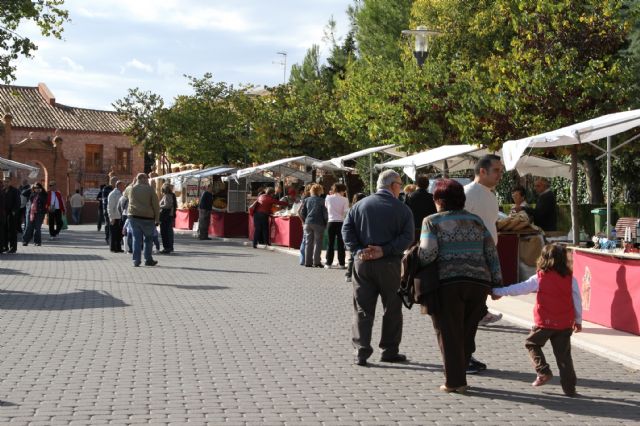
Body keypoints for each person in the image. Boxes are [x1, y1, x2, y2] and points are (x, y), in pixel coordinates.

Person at [419, 179, 503, 393]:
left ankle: (455, 382)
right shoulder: (476, 221)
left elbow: (428, 254)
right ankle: (461, 371)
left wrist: (413, 256)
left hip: (448, 284)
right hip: (478, 284)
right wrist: (496, 283)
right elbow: (491, 252)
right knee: (467, 331)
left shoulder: (431, 221)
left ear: (439, 200)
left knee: (448, 332)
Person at [342, 170, 414, 367]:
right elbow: (408, 237)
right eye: (400, 184)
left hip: (363, 263)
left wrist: (357, 250)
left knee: (362, 308)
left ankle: (361, 351)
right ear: (393, 186)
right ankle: (389, 350)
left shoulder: (358, 206)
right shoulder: (402, 209)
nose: (400, 188)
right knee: (392, 308)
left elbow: (346, 230)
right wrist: (385, 250)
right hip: (389, 263)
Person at [492, 243, 581, 397]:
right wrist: (578, 320)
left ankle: (543, 371)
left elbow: (520, 288)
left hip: (544, 322)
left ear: (544, 258)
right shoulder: (570, 279)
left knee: (532, 343)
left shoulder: (540, 277)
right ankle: (570, 388)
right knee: (564, 356)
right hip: (565, 323)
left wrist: (498, 291)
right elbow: (577, 300)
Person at [463, 154, 505, 370]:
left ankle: (466, 356)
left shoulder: (490, 195)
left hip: (484, 260)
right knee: (467, 314)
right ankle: (463, 357)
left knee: (473, 313)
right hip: (471, 262)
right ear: (482, 171)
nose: (500, 174)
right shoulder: (468, 194)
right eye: (496, 170)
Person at [127, 173, 159, 267]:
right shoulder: (150, 189)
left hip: (134, 216)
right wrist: (157, 218)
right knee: (148, 239)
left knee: (136, 239)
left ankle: (136, 261)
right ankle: (148, 259)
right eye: (147, 179)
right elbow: (155, 205)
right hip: (147, 217)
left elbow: (126, 198)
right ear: (144, 179)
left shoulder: (131, 188)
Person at [299, 183, 328, 267]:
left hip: (308, 223)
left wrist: (305, 220)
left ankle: (307, 262)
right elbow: (325, 214)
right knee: (318, 243)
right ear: (320, 191)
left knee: (308, 243)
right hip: (318, 223)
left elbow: (302, 212)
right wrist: (326, 222)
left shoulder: (307, 200)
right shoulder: (322, 201)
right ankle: (316, 262)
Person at [404, 174, 437, 243]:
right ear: (427, 185)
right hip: (428, 230)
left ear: (417, 184)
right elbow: (435, 214)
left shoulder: (409, 196)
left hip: (413, 229)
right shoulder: (432, 197)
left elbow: (404, 213)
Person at [324, 183, 349, 269]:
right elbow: (346, 212)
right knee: (340, 243)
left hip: (331, 222)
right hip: (341, 222)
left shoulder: (328, 198)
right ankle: (342, 263)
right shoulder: (345, 199)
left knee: (330, 243)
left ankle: (328, 263)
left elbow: (327, 207)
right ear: (342, 190)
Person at [344, 192, 366, 283]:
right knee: (358, 256)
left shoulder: (351, 209)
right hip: (361, 235)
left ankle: (349, 274)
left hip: (353, 235)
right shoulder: (364, 209)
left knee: (352, 256)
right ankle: (356, 274)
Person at [3, 175, 21, 253]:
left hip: (12, 213)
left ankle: (13, 248)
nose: (5, 183)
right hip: (4, 213)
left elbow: (18, 202)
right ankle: (5, 246)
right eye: (4, 181)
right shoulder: (2, 190)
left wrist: (14, 211)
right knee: (4, 230)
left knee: (12, 231)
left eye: (7, 181)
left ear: (10, 182)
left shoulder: (15, 190)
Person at [107, 180, 125, 253]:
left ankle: (118, 247)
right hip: (115, 217)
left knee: (119, 233)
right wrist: (111, 217)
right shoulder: (113, 194)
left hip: (120, 216)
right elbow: (110, 207)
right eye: (122, 186)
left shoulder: (121, 194)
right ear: (119, 186)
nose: (124, 187)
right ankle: (113, 248)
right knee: (114, 233)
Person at [159, 183, 175, 254]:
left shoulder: (167, 196)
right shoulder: (171, 195)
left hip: (166, 216)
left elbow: (167, 205)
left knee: (165, 232)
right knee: (168, 232)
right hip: (169, 216)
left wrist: (159, 206)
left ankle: (167, 248)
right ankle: (169, 247)